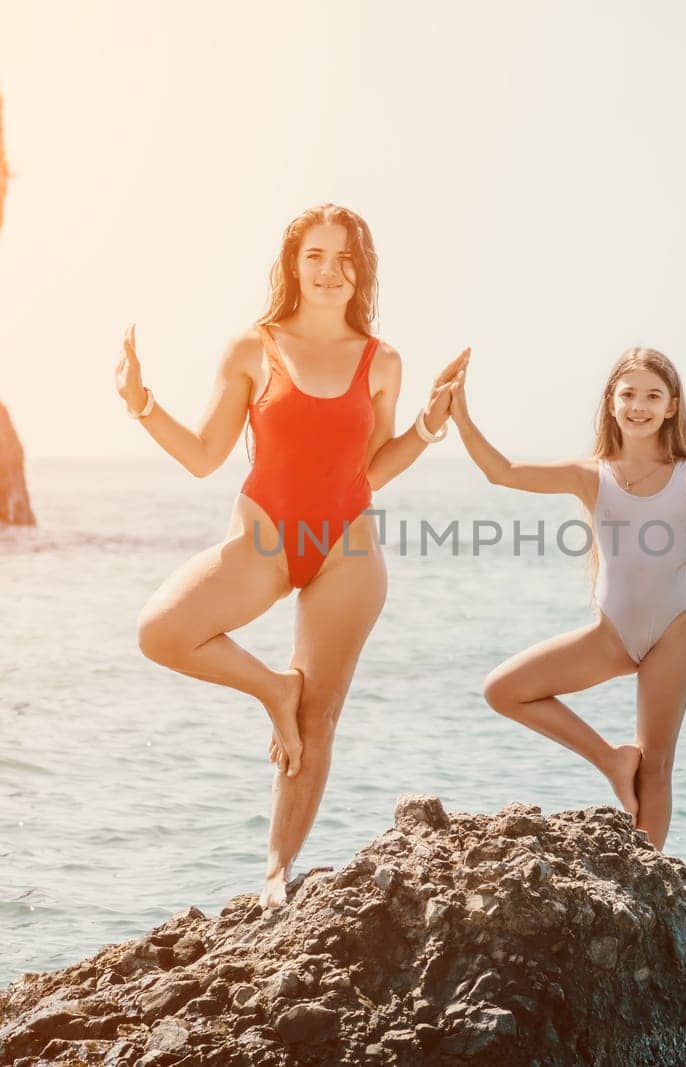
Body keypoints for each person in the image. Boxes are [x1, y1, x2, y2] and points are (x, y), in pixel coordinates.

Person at [114, 204, 466, 906]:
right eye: (315, 256)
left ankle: (276, 871)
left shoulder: (382, 360)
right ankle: (273, 687)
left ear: (359, 270)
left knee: (322, 713)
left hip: (347, 552)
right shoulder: (256, 348)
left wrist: (430, 423)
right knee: (161, 630)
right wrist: (142, 401)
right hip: (264, 540)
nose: (330, 270)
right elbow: (204, 456)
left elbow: (370, 468)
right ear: (293, 264)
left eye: (344, 258)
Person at [448, 346, 686, 849]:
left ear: (672, 406)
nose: (639, 406)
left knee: (658, 769)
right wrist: (460, 414)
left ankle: (649, 877)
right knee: (503, 689)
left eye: (653, 395)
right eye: (628, 394)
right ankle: (611, 759)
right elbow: (504, 471)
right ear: (612, 402)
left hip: (673, 635)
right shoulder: (590, 475)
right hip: (613, 635)